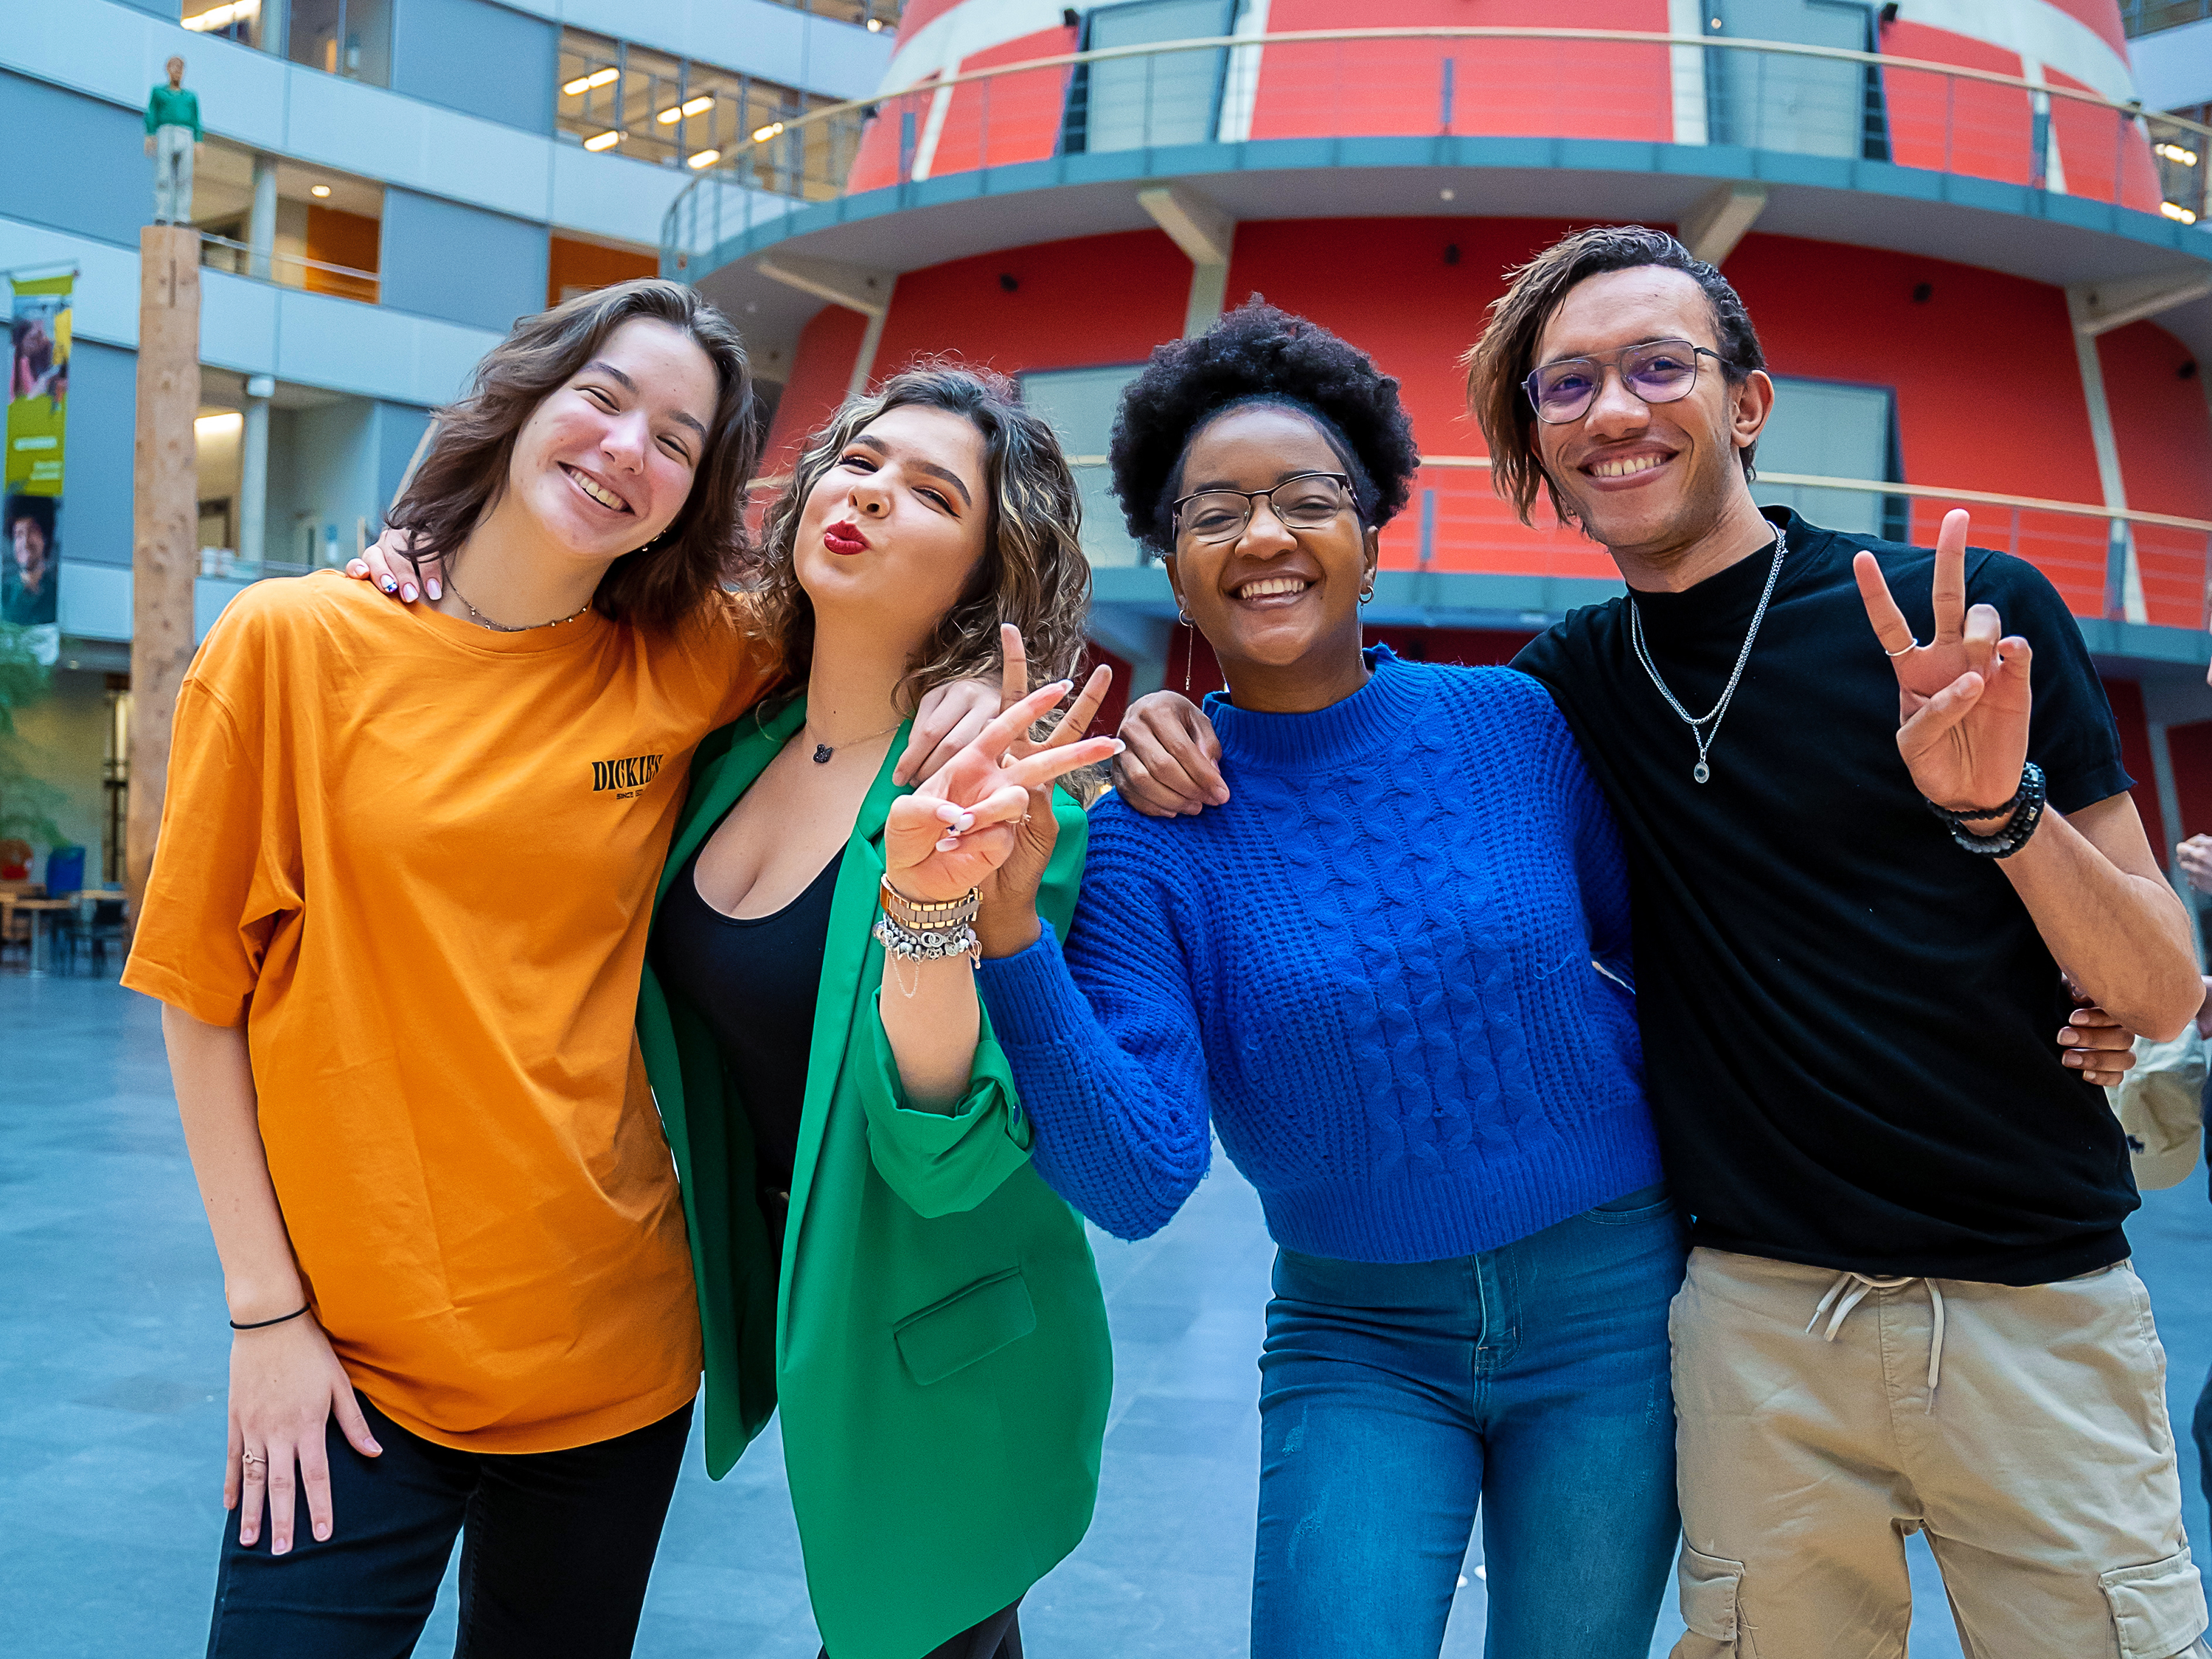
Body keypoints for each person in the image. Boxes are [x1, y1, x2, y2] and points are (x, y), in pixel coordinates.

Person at [1116, 229, 2205, 1658]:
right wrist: (1177, 721)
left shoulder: (1975, 614)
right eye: (1568, 387)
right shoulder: (1566, 693)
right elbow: (1380, 785)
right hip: (1750, 1321)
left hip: (2030, 1300)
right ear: (1540, 447)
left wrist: (2003, 816)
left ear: (1747, 402)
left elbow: (2163, 989)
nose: (1614, 411)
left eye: (1656, 366)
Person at [122, 280, 996, 1658]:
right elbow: (198, 1000)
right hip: (347, 1367)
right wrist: (265, 1316)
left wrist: (985, 684)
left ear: (695, 493)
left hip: (614, 1366)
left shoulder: (698, 654)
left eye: (679, 440)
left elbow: (887, 622)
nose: (626, 450)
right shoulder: (291, 647)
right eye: (604, 398)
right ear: (523, 399)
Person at [970, 302, 1685, 1659]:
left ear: (1372, 535)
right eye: (1213, 513)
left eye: (1308, 500)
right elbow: (1137, 1180)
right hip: (1362, 1337)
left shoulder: (1514, 726)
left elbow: (1676, 955)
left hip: (1615, 1312)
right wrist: (1010, 942)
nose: (1263, 536)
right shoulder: (1143, 840)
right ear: (1176, 569)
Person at [638, 362, 1123, 1659]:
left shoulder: (1008, 804)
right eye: (856, 461)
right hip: (803, 1302)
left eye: (928, 491)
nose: (866, 492)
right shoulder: (733, 744)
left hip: (951, 1336)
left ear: (985, 568)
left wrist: (927, 905)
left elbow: (947, 1141)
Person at [146, 56, 201, 226]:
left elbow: (196, 119)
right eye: (174, 67)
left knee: (184, 176)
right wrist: (150, 134)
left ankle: (182, 216)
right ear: (168, 70)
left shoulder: (190, 96)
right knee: (163, 174)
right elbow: (152, 113)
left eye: (180, 68)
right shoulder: (159, 92)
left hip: (185, 133)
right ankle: (161, 213)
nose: (177, 71)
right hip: (166, 131)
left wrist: (199, 141)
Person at [4, 494, 56, 625]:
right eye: (19, 534)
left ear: (46, 538)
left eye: (33, 532)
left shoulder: (56, 592)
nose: (26, 543)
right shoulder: (5, 591)